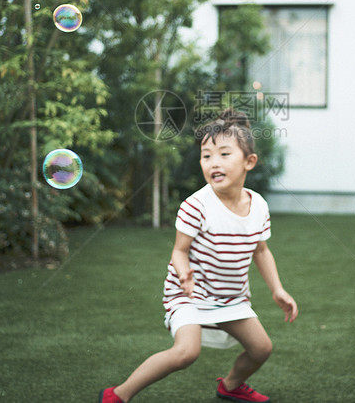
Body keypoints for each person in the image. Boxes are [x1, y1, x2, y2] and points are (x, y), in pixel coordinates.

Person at [99, 109, 298, 403]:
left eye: (224, 154)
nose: (213, 163)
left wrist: (277, 289)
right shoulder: (196, 206)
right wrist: (184, 274)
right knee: (185, 353)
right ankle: (117, 395)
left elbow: (261, 250)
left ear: (249, 162)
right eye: (206, 156)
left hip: (231, 297)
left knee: (261, 349)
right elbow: (179, 252)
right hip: (189, 294)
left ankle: (230, 385)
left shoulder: (258, 206)